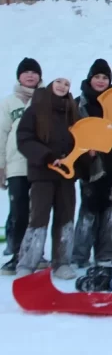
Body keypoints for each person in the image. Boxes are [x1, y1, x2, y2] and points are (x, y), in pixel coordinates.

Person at [15, 77, 86, 279]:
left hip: (66, 176)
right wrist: (46, 156)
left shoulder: (73, 112)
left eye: (67, 84)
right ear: (51, 85)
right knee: (38, 218)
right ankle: (27, 263)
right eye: (59, 82)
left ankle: (62, 262)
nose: (63, 86)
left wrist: (85, 157)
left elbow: (81, 140)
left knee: (65, 218)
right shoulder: (35, 110)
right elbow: (24, 138)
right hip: (43, 174)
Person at [71, 59, 112, 268]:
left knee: (111, 211)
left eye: (105, 77)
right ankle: (80, 255)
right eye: (97, 76)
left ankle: (106, 254)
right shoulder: (79, 103)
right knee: (89, 209)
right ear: (90, 78)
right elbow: (71, 133)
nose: (100, 81)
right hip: (89, 165)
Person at [0, 58, 43, 274]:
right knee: (18, 210)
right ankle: (17, 254)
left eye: (34, 72)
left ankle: (36, 254)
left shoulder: (46, 99)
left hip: (40, 164)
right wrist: (1, 166)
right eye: (26, 72)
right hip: (16, 164)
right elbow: (1, 134)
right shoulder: (9, 102)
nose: (30, 75)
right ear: (19, 77)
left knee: (38, 212)